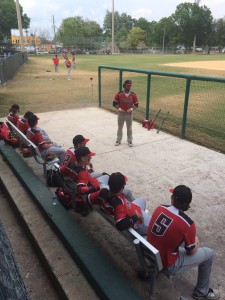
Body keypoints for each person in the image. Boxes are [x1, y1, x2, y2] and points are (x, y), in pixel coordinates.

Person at [147, 185, 219, 300]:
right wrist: (196, 242)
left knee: (171, 242)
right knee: (209, 254)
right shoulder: (188, 223)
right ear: (188, 204)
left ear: (173, 198)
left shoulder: (160, 208)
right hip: (167, 263)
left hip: (149, 254)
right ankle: (201, 292)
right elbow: (191, 251)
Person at [87, 172, 151, 235]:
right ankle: (144, 215)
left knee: (141, 200)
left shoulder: (103, 192)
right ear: (122, 188)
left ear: (109, 184)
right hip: (139, 223)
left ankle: (143, 212)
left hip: (131, 208)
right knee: (152, 222)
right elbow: (120, 225)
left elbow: (88, 198)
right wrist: (136, 216)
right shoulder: (119, 204)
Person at [113, 80, 139, 147]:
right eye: (128, 86)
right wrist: (119, 108)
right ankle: (118, 139)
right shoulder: (119, 94)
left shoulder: (133, 95)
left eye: (130, 86)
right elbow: (114, 104)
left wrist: (131, 109)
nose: (129, 87)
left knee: (129, 128)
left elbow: (136, 104)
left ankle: (130, 140)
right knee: (120, 127)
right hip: (121, 113)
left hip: (129, 113)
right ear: (124, 86)